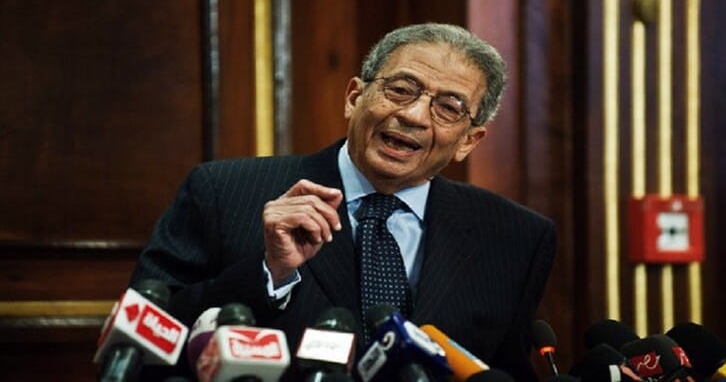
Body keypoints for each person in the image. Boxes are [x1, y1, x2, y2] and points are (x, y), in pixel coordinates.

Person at [130, 23, 556, 381]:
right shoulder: (224, 192)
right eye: (401, 89)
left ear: (469, 141)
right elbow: (141, 347)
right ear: (354, 98)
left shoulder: (516, 237)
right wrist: (269, 272)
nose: (413, 116)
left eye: (448, 108)